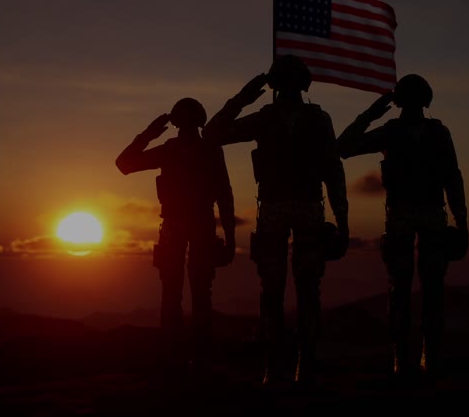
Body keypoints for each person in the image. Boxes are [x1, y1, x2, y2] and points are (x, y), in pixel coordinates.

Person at [204, 55, 349, 385]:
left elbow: (213, 133)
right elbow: (334, 171)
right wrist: (342, 218)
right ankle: (292, 366)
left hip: (287, 209)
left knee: (282, 289)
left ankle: (288, 366)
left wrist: (243, 97)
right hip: (296, 209)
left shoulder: (273, 119)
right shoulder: (300, 119)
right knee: (293, 288)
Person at [337, 74, 467, 378]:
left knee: (422, 289)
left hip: (423, 216)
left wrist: (461, 221)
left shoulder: (426, 133)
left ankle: (422, 358)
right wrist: (370, 115)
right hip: (409, 217)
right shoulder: (399, 132)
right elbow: (343, 147)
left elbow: (452, 177)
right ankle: (407, 359)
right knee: (407, 289)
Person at [116, 97, 236, 370]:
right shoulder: (208, 149)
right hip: (198, 225)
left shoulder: (171, 150)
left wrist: (148, 134)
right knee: (199, 291)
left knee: (173, 291)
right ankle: (198, 356)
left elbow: (124, 163)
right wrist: (229, 234)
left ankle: (173, 357)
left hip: (178, 226)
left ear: (176, 121)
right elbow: (225, 194)